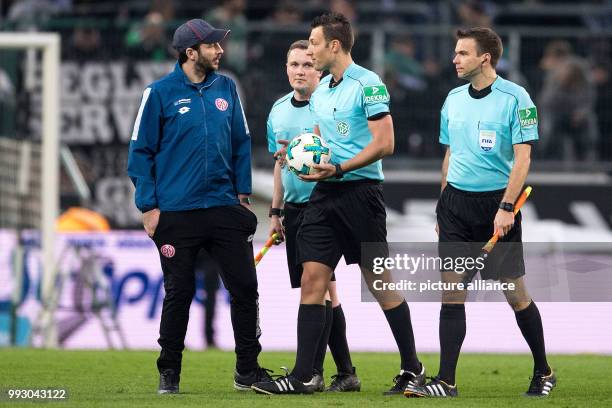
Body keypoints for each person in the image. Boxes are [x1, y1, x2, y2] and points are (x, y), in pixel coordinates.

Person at [252, 12, 424, 395]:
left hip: (361, 193)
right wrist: (299, 152)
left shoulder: (369, 84)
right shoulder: (324, 90)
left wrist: (339, 167)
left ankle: (413, 367)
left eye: (313, 44)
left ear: (333, 45)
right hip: (324, 195)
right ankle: (303, 375)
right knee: (314, 279)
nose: (309, 51)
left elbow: (385, 143)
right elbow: (320, 136)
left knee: (379, 283)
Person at [404, 27, 556, 398]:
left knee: (514, 292)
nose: (454, 59)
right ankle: (446, 381)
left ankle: (544, 371)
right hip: (455, 205)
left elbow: (524, 158)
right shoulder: (453, 99)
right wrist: (442, 207)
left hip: (495, 206)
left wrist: (506, 207)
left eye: (462, 53)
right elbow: (450, 155)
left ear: (484, 58)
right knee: (451, 292)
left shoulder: (515, 98)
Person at [127, 18, 273, 395]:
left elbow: (241, 142)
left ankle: (247, 370)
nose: (220, 51)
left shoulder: (227, 88)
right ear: (191, 52)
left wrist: (242, 196)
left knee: (245, 288)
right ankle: (169, 372)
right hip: (176, 212)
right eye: (212, 45)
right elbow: (140, 152)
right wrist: (148, 206)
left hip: (224, 207)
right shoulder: (158, 93)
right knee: (179, 292)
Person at [266, 39, 360, 392]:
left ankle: (311, 372)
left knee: (316, 290)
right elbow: (279, 166)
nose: (300, 71)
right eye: (294, 65)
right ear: (286, 68)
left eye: (307, 64)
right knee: (326, 294)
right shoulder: (278, 110)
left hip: (325, 206)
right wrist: (276, 211)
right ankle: (345, 372)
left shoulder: (329, 107)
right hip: (294, 209)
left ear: (319, 69)